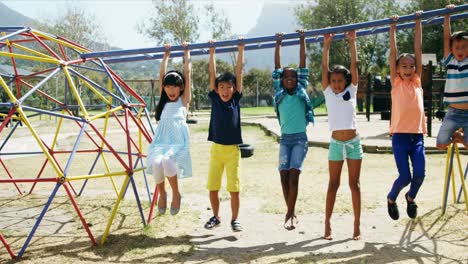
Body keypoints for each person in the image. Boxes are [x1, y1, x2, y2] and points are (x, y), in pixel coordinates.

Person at [321, 30, 362, 240]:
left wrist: (352, 42)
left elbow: (353, 67)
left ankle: (356, 225)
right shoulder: (328, 93)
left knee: (354, 184)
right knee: (333, 184)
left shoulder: (352, 90)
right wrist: (326, 45)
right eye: (333, 80)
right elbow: (323, 69)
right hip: (336, 143)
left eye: (340, 81)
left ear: (346, 81)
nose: (337, 84)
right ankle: (327, 223)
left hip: (354, 143)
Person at [386, 12, 426, 222]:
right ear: (397, 70)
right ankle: (392, 199)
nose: (409, 68)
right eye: (404, 66)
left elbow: (417, 49)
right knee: (405, 176)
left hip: (417, 136)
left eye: (412, 66)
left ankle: (410, 197)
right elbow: (393, 53)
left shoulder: (417, 81)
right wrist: (393, 28)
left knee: (419, 174)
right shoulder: (397, 83)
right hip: (400, 136)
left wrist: (418, 22)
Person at [273, 30, 314, 230]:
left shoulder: (301, 89)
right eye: (286, 76)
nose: (290, 78)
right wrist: (278, 43)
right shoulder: (279, 92)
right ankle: (290, 211)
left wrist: (302, 39)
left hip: (299, 139)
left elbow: (303, 64)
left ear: (297, 79)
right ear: (281, 80)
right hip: (285, 139)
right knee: (283, 174)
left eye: (293, 76)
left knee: (294, 173)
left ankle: (290, 213)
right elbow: (277, 67)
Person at [146, 43, 192, 216]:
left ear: (181, 88)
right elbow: (161, 75)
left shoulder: (183, 101)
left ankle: (176, 194)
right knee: (157, 162)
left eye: (175, 86)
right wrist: (166, 55)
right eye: (167, 86)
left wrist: (187, 53)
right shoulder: (164, 102)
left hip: (178, 142)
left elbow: (187, 73)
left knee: (167, 161)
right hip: (161, 141)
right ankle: (162, 193)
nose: (171, 90)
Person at [204, 38, 244, 232]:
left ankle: (235, 219)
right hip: (216, 150)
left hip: (232, 152)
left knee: (233, 189)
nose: (225, 90)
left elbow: (239, 73)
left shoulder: (236, 99)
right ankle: (216, 216)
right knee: (213, 187)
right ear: (217, 89)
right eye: (221, 87)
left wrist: (241, 49)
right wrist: (212, 52)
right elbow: (212, 74)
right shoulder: (215, 99)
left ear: (234, 89)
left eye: (229, 87)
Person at [436, 4, 468, 150]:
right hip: (453, 112)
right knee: (441, 144)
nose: (460, 50)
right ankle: (456, 134)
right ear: (452, 49)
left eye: (464, 47)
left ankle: (460, 136)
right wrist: (447, 15)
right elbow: (445, 38)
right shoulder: (451, 61)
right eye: (456, 47)